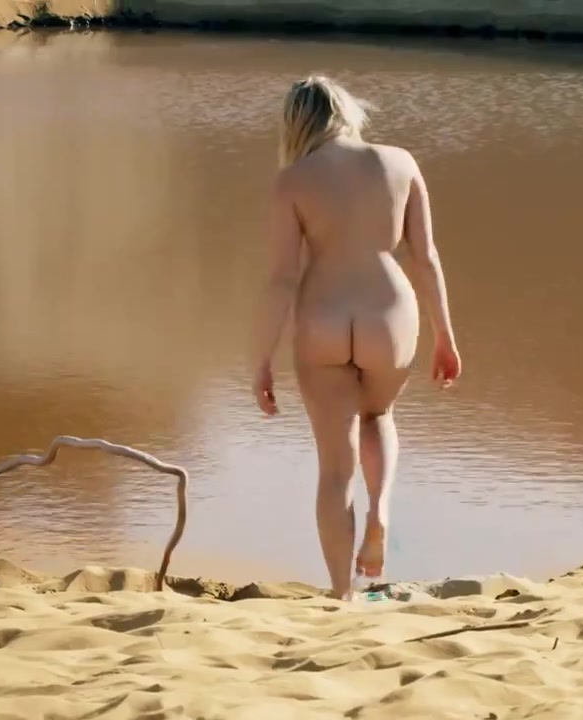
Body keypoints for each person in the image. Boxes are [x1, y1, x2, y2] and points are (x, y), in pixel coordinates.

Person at [250, 75, 462, 600]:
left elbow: (281, 279)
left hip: (322, 318)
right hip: (388, 313)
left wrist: (261, 358)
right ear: (347, 114)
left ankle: (342, 591)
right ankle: (380, 512)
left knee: (334, 470)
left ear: (296, 123)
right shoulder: (400, 163)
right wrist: (445, 335)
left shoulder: (292, 181)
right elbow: (426, 257)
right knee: (378, 415)